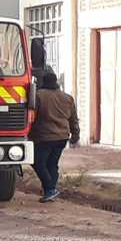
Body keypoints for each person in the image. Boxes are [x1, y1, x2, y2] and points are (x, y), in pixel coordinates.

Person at [29, 73, 80, 203]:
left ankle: (50, 189)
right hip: (62, 137)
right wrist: (75, 134)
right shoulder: (68, 98)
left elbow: (31, 117)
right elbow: (73, 119)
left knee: (37, 162)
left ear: (43, 81)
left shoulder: (38, 96)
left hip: (44, 137)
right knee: (52, 164)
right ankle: (50, 191)